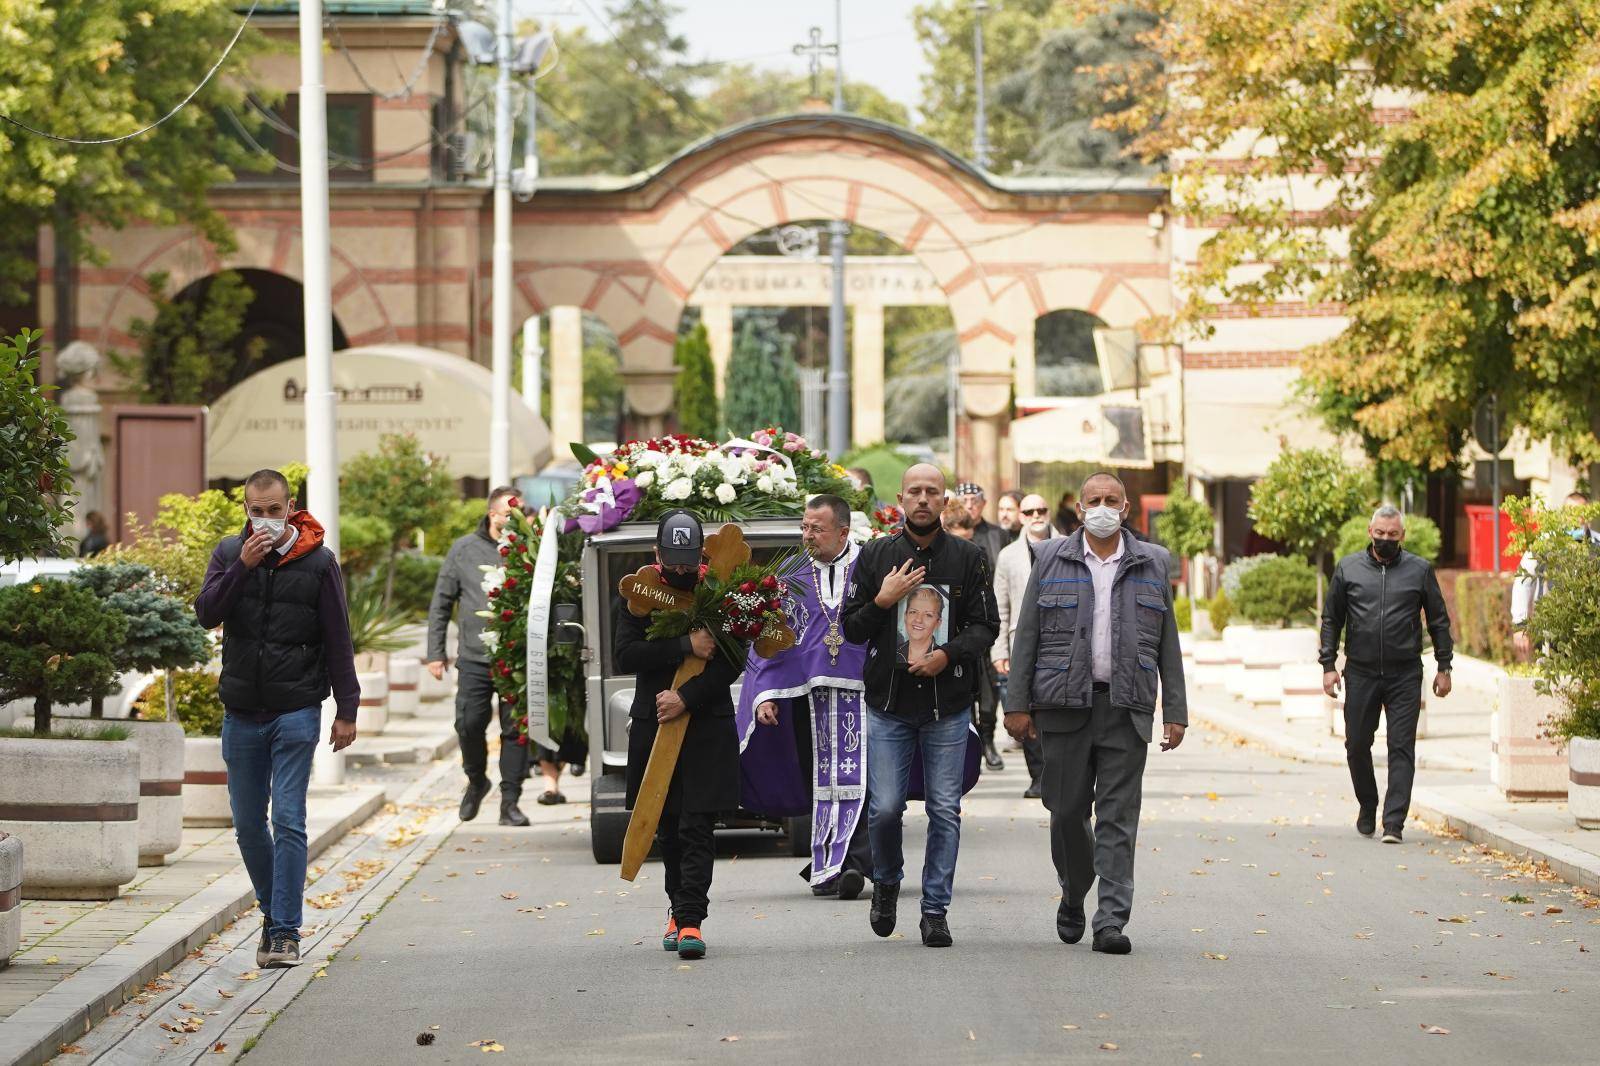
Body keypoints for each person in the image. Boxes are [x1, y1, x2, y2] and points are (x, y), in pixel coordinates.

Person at [1005, 471, 1187, 956]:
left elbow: (1168, 642)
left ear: (1125, 509)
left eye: (1112, 500)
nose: (1103, 507)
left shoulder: (1153, 562)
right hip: (1063, 707)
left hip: (1126, 706)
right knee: (1065, 813)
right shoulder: (1051, 558)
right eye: (1094, 500)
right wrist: (1016, 705)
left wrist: (1176, 710)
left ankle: (1110, 920)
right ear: (1080, 510)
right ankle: (1073, 890)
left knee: (1118, 818)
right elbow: (1028, 636)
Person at [194, 468, 359, 970]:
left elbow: (338, 636)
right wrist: (241, 567)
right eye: (255, 510)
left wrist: (346, 710)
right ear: (245, 509)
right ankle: (274, 913)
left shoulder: (319, 563)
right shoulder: (228, 553)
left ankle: (285, 931)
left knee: (288, 818)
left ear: (290, 508)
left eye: (272, 509)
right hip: (241, 711)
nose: (264, 518)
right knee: (247, 826)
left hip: (296, 709)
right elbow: (206, 613)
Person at [842, 464, 999, 948]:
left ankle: (934, 909)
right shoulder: (875, 555)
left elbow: (984, 625)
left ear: (945, 500)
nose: (924, 499)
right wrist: (885, 599)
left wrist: (946, 654)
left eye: (933, 492)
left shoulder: (968, 558)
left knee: (945, 810)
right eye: (915, 492)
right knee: (885, 808)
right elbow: (851, 628)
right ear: (901, 498)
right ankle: (887, 881)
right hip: (889, 704)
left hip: (946, 705)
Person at [617, 509, 743, 960]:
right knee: (668, 826)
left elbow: (732, 661)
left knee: (696, 825)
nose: (683, 571)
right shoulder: (638, 593)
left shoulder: (723, 592)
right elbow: (625, 654)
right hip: (655, 724)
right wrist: (684, 646)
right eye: (674, 562)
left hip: (706, 724)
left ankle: (691, 921)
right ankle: (676, 907)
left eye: (690, 562)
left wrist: (686, 697)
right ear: (657, 554)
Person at [742, 494, 873, 900]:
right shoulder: (789, 574)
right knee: (821, 780)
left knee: (865, 780)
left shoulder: (871, 565)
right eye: (804, 527)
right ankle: (828, 865)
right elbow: (769, 637)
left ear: (844, 531)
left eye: (817, 528)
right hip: (808, 697)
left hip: (868, 695)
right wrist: (763, 693)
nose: (808, 535)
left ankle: (851, 864)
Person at [1320, 505, 1453, 844]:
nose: (1386, 540)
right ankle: (1368, 804)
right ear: (1370, 532)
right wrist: (1328, 666)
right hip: (1361, 672)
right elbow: (1332, 619)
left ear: (1402, 536)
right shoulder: (1348, 568)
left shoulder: (1419, 570)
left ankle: (1394, 823)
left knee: (1401, 747)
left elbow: (1438, 620)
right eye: (1380, 534)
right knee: (1356, 745)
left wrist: (1444, 667)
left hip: (1405, 673)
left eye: (1393, 535)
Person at [426, 487, 531, 827]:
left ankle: (510, 802)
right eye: (509, 513)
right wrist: (435, 653)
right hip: (473, 656)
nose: (515, 519)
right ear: (493, 515)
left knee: (516, 730)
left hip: (517, 657)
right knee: (468, 724)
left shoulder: (529, 547)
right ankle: (477, 780)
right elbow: (441, 603)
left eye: (520, 512)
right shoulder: (463, 550)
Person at [992, 492, 1058, 798]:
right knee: (1024, 710)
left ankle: (1060, 775)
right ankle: (1038, 777)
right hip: (1020, 644)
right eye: (1029, 510)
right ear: (1020, 516)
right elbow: (1000, 608)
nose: (1036, 515)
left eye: (1041, 509)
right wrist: (999, 651)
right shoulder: (1007, 556)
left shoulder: (1069, 546)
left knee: (1057, 712)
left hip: (1061, 643)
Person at [955, 483, 1007, 772]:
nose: (970, 505)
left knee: (990, 690)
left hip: (990, 620)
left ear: (984, 504)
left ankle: (988, 739)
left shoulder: (997, 534)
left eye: (975, 500)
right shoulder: (950, 534)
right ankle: (972, 744)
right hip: (962, 625)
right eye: (964, 500)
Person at [1511, 491, 1595, 659]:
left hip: (1589, 629)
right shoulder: (1545, 543)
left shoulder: (1596, 545)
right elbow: (1524, 579)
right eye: (1571, 512)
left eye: (1581, 513)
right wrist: (1520, 624)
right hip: (1551, 629)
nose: (1576, 518)